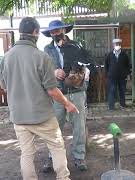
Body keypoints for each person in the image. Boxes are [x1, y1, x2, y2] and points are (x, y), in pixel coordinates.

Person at [0, 17, 78, 180]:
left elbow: (3, 85)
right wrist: (67, 103)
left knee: (26, 153)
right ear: (35, 32)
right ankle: (63, 178)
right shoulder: (41, 57)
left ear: (20, 33)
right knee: (57, 146)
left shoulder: (6, 57)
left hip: (19, 117)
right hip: (42, 116)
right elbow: (52, 90)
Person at [42, 20, 90, 171]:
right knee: (55, 128)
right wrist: (54, 72)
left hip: (77, 91)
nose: (55, 33)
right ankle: (52, 157)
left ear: (64, 30)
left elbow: (87, 63)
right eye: (53, 31)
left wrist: (80, 71)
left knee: (79, 126)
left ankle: (79, 157)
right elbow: (43, 70)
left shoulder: (76, 46)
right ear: (50, 33)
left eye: (58, 30)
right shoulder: (47, 49)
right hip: (57, 93)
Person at [105, 39, 131, 110]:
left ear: (120, 45)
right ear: (113, 45)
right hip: (112, 77)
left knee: (122, 90)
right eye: (116, 44)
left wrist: (128, 74)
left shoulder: (124, 54)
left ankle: (122, 104)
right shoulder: (109, 55)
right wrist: (107, 74)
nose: (117, 45)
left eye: (119, 44)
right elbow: (106, 65)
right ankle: (111, 106)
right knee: (112, 91)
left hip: (122, 77)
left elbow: (128, 65)